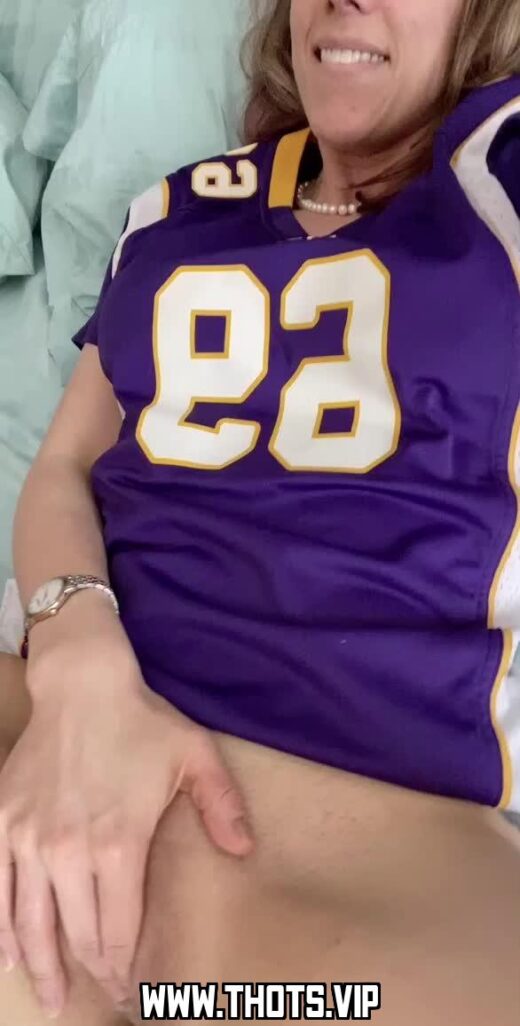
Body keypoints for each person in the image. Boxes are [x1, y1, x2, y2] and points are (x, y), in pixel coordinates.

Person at [0, 0, 519, 1023]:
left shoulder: (495, 178)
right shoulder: (176, 212)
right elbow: (62, 466)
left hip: (346, 845)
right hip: (54, 719)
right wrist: (80, 665)